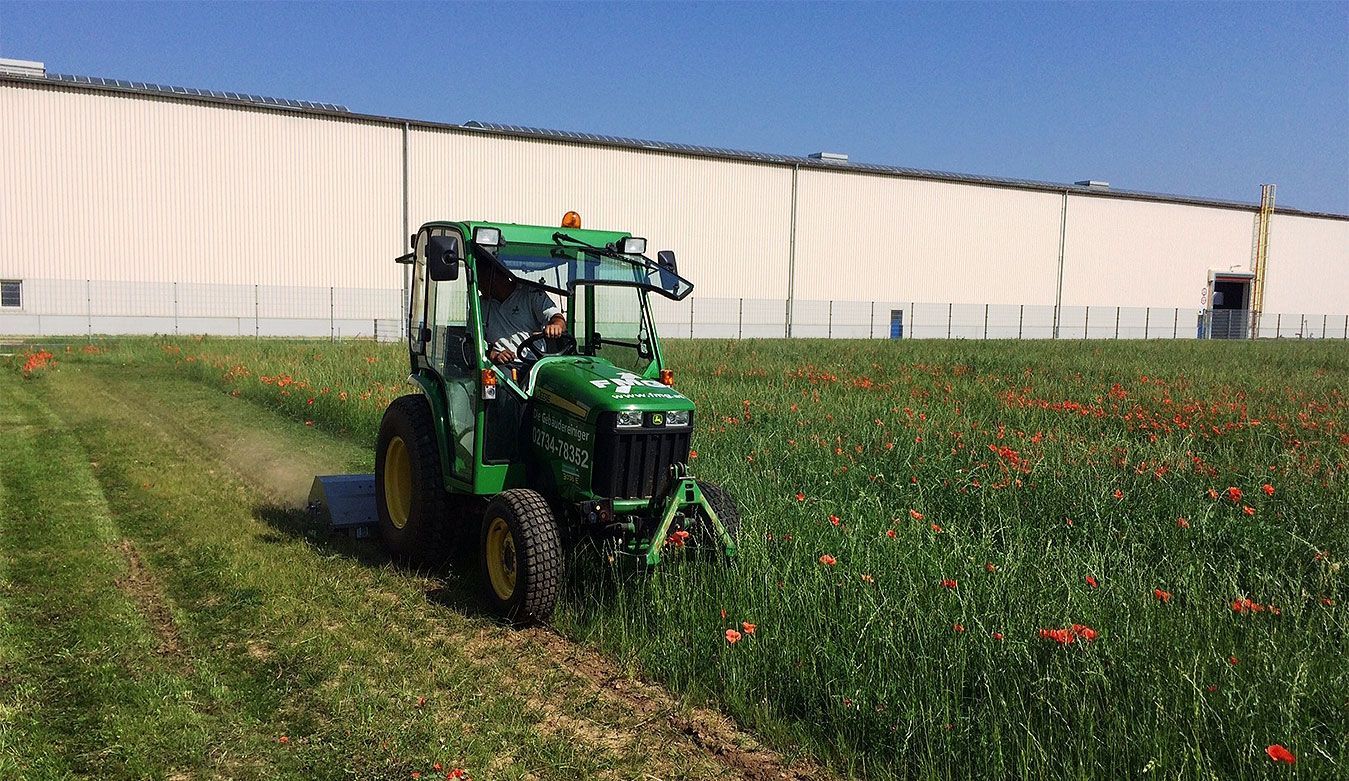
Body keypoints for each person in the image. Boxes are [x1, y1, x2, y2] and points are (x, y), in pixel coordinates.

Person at [478, 261, 566, 364]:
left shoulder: (531, 293)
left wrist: (556, 325)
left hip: (535, 364)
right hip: (499, 369)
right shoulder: (480, 305)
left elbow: (556, 317)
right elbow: (472, 342)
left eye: (481, 280)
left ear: (497, 277)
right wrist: (491, 354)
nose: (479, 286)